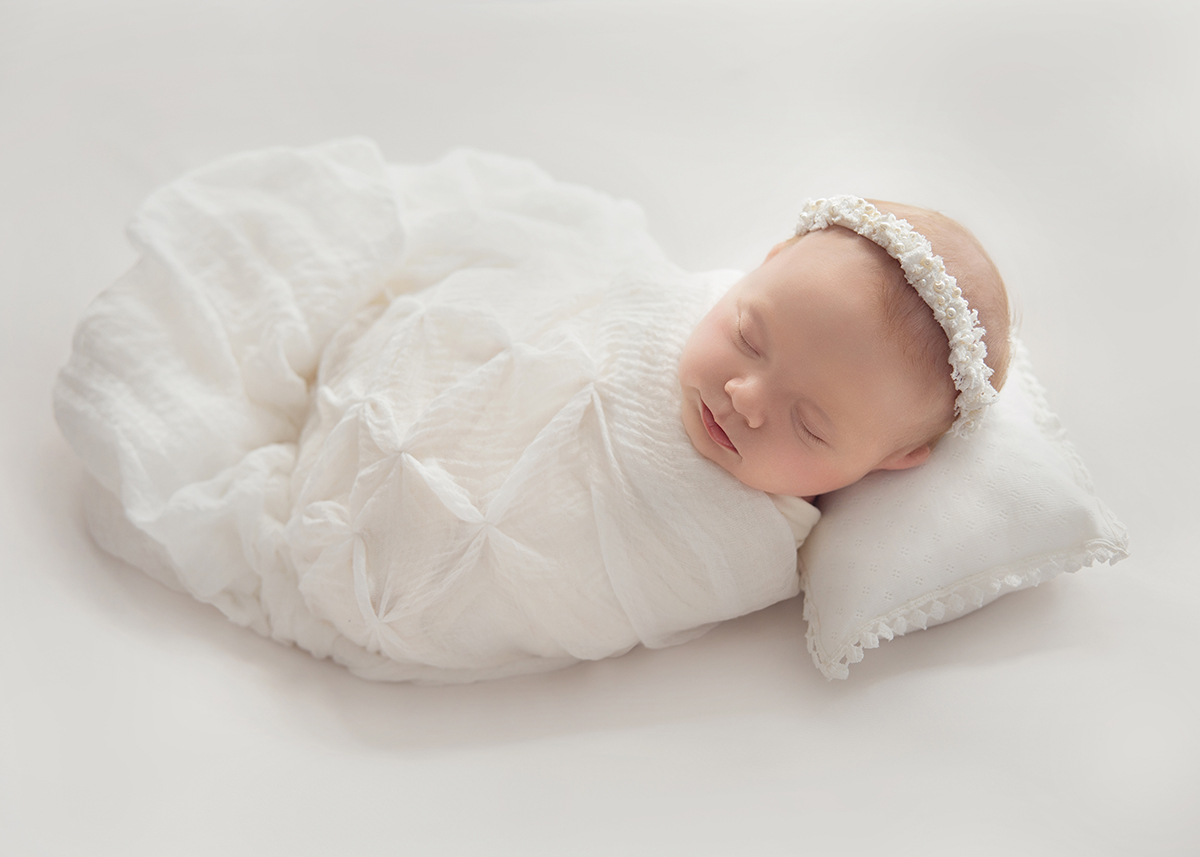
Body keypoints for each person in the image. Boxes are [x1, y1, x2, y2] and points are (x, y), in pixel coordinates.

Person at [681, 196, 1010, 506]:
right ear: (769, 262)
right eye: (748, 340)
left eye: (808, 426)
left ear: (891, 459)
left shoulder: (761, 539)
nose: (745, 399)